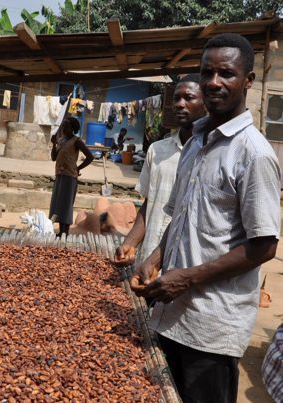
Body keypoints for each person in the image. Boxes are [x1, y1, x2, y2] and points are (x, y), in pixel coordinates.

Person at [130, 33, 281, 402]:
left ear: (248, 80)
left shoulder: (253, 154)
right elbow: (179, 216)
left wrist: (186, 278)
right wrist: (155, 258)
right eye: (207, 72)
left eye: (226, 74)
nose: (214, 82)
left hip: (211, 328)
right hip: (169, 314)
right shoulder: (195, 142)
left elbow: (264, 246)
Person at [115, 74, 207, 266]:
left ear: (206, 103)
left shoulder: (212, 153)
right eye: (176, 98)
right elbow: (150, 204)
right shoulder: (158, 150)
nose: (180, 104)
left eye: (188, 98)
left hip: (185, 266)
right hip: (148, 260)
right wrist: (130, 243)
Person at [49, 118, 94, 239]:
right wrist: (54, 143)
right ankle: (61, 231)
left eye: (67, 127)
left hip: (70, 177)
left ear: (73, 129)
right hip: (59, 175)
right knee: (58, 203)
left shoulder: (76, 141)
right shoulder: (62, 140)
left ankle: (65, 232)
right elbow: (54, 157)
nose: (64, 129)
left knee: (66, 204)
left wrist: (78, 168)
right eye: (63, 127)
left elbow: (90, 157)